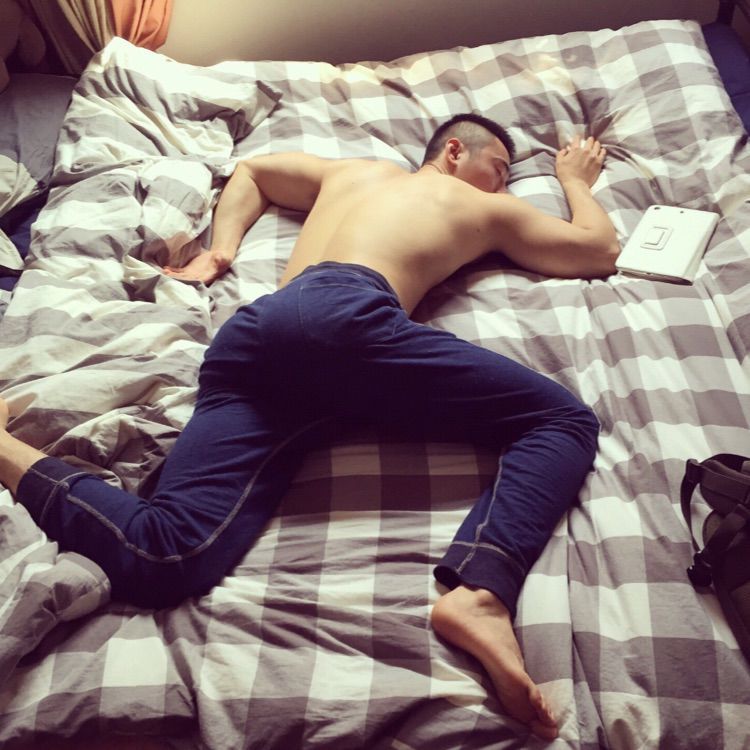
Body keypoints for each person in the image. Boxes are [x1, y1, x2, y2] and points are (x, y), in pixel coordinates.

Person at [0, 113, 619, 740]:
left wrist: (222, 249)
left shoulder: (348, 173)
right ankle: (480, 591)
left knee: (167, 554)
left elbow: (253, 171)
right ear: (455, 151)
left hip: (254, 335)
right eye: (501, 169)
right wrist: (574, 180)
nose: (504, 185)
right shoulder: (471, 199)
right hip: (345, 319)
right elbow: (598, 250)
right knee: (562, 420)